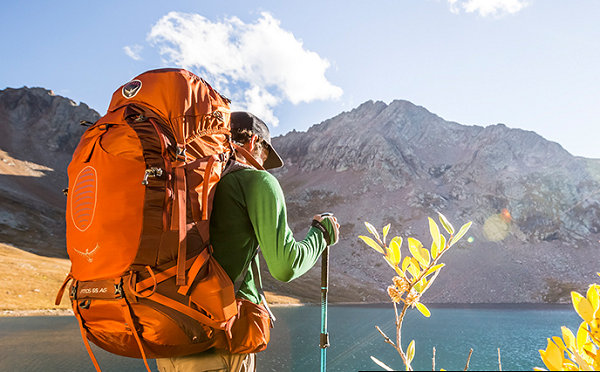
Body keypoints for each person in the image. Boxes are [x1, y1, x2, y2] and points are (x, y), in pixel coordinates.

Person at [156, 112, 340, 372]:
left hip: (168, 342)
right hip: (221, 342)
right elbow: (286, 266)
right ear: (254, 142)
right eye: (265, 155)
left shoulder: (187, 181)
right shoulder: (256, 181)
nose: (263, 164)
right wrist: (321, 235)